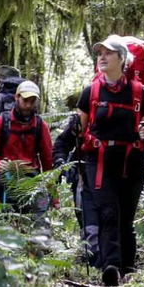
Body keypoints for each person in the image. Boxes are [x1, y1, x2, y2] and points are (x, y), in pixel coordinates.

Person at [77, 35, 144, 287]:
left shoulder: (139, 92)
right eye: (99, 52)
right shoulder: (91, 92)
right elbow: (79, 130)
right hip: (99, 161)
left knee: (126, 217)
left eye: (108, 53)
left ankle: (128, 268)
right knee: (108, 213)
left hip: (131, 160)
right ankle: (110, 267)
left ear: (122, 59)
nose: (102, 57)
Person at [0, 80, 53, 216]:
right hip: (4, 179)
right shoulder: (0, 122)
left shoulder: (40, 126)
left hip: (32, 180)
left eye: (32, 101)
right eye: (25, 100)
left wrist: (53, 192)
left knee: (42, 221)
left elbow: (48, 161)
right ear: (17, 97)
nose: (28, 105)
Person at [52, 96, 99, 267]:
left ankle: (107, 260)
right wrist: (60, 161)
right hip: (83, 176)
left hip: (110, 178)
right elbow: (61, 144)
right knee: (85, 217)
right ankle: (93, 259)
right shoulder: (81, 121)